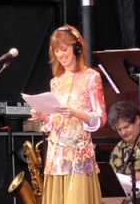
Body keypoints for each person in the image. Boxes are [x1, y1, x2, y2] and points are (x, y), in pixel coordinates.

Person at [29, 24, 107, 204]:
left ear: (76, 48)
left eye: (64, 49)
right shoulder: (55, 82)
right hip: (57, 155)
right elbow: (56, 122)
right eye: (56, 51)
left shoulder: (91, 77)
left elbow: (101, 117)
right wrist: (43, 117)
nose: (60, 55)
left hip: (79, 154)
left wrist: (77, 113)